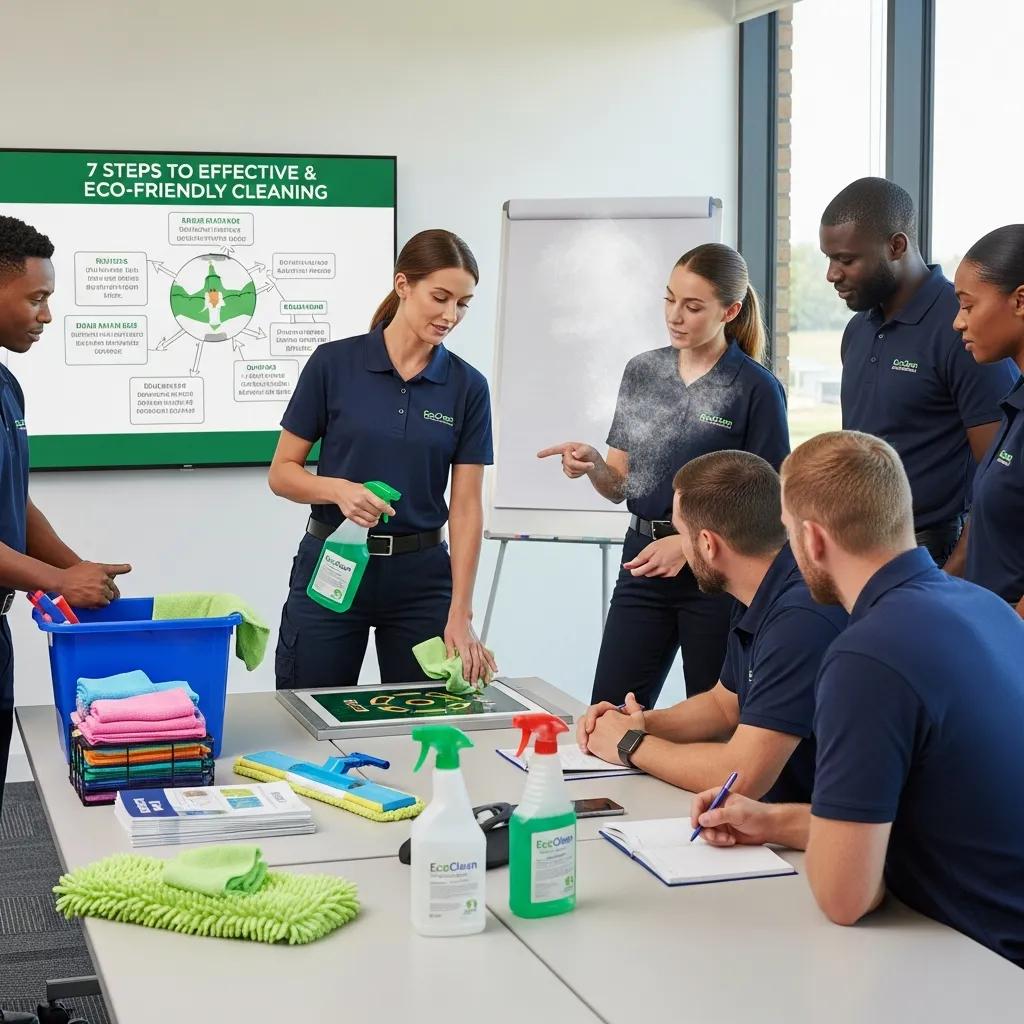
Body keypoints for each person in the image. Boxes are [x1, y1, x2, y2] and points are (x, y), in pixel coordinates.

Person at [691, 431, 1024, 967]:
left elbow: (845, 898)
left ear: (813, 540)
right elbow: (929, 822)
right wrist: (774, 822)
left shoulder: (866, 656)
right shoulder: (988, 609)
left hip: (983, 963)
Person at [539, 243, 789, 708]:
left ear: (730, 311)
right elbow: (621, 486)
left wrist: (687, 543)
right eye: (669, 299)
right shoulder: (643, 371)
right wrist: (595, 463)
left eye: (693, 307)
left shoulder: (756, 389)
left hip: (717, 575)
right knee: (609, 711)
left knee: (715, 718)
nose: (675, 315)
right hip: (642, 566)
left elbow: (771, 505)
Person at [269, 229, 496, 689]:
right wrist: (339, 489)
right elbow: (282, 474)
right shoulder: (333, 364)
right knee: (308, 714)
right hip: (332, 564)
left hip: (422, 578)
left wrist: (460, 612)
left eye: (463, 303)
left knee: (428, 725)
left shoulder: (468, 387)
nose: (451, 314)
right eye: (440, 296)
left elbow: (467, 505)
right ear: (402, 285)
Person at [576, 450, 845, 801]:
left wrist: (630, 744)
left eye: (680, 534)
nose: (680, 547)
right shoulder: (758, 586)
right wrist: (634, 721)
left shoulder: (800, 619)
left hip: (818, 835)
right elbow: (723, 705)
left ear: (707, 544)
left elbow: (742, 776)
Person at [0, 216, 132, 820]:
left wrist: (73, 566)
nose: (46, 316)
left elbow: (14, 500)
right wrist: (55, 581)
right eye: (36, 298)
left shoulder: (7, 387)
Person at [819, 177, 1018, 568]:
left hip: (932, 555)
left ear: (896, 246)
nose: (831, 274)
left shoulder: (965, 330)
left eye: (846, 259)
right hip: (860, 549)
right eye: (829, 258)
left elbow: (999, 481)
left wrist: (952, 577)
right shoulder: (858, 329)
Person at [952, 225, 1024, 615]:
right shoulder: (1015, 400)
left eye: (968, 305)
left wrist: (1006, 641)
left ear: (1020, 301)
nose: (958, 322)